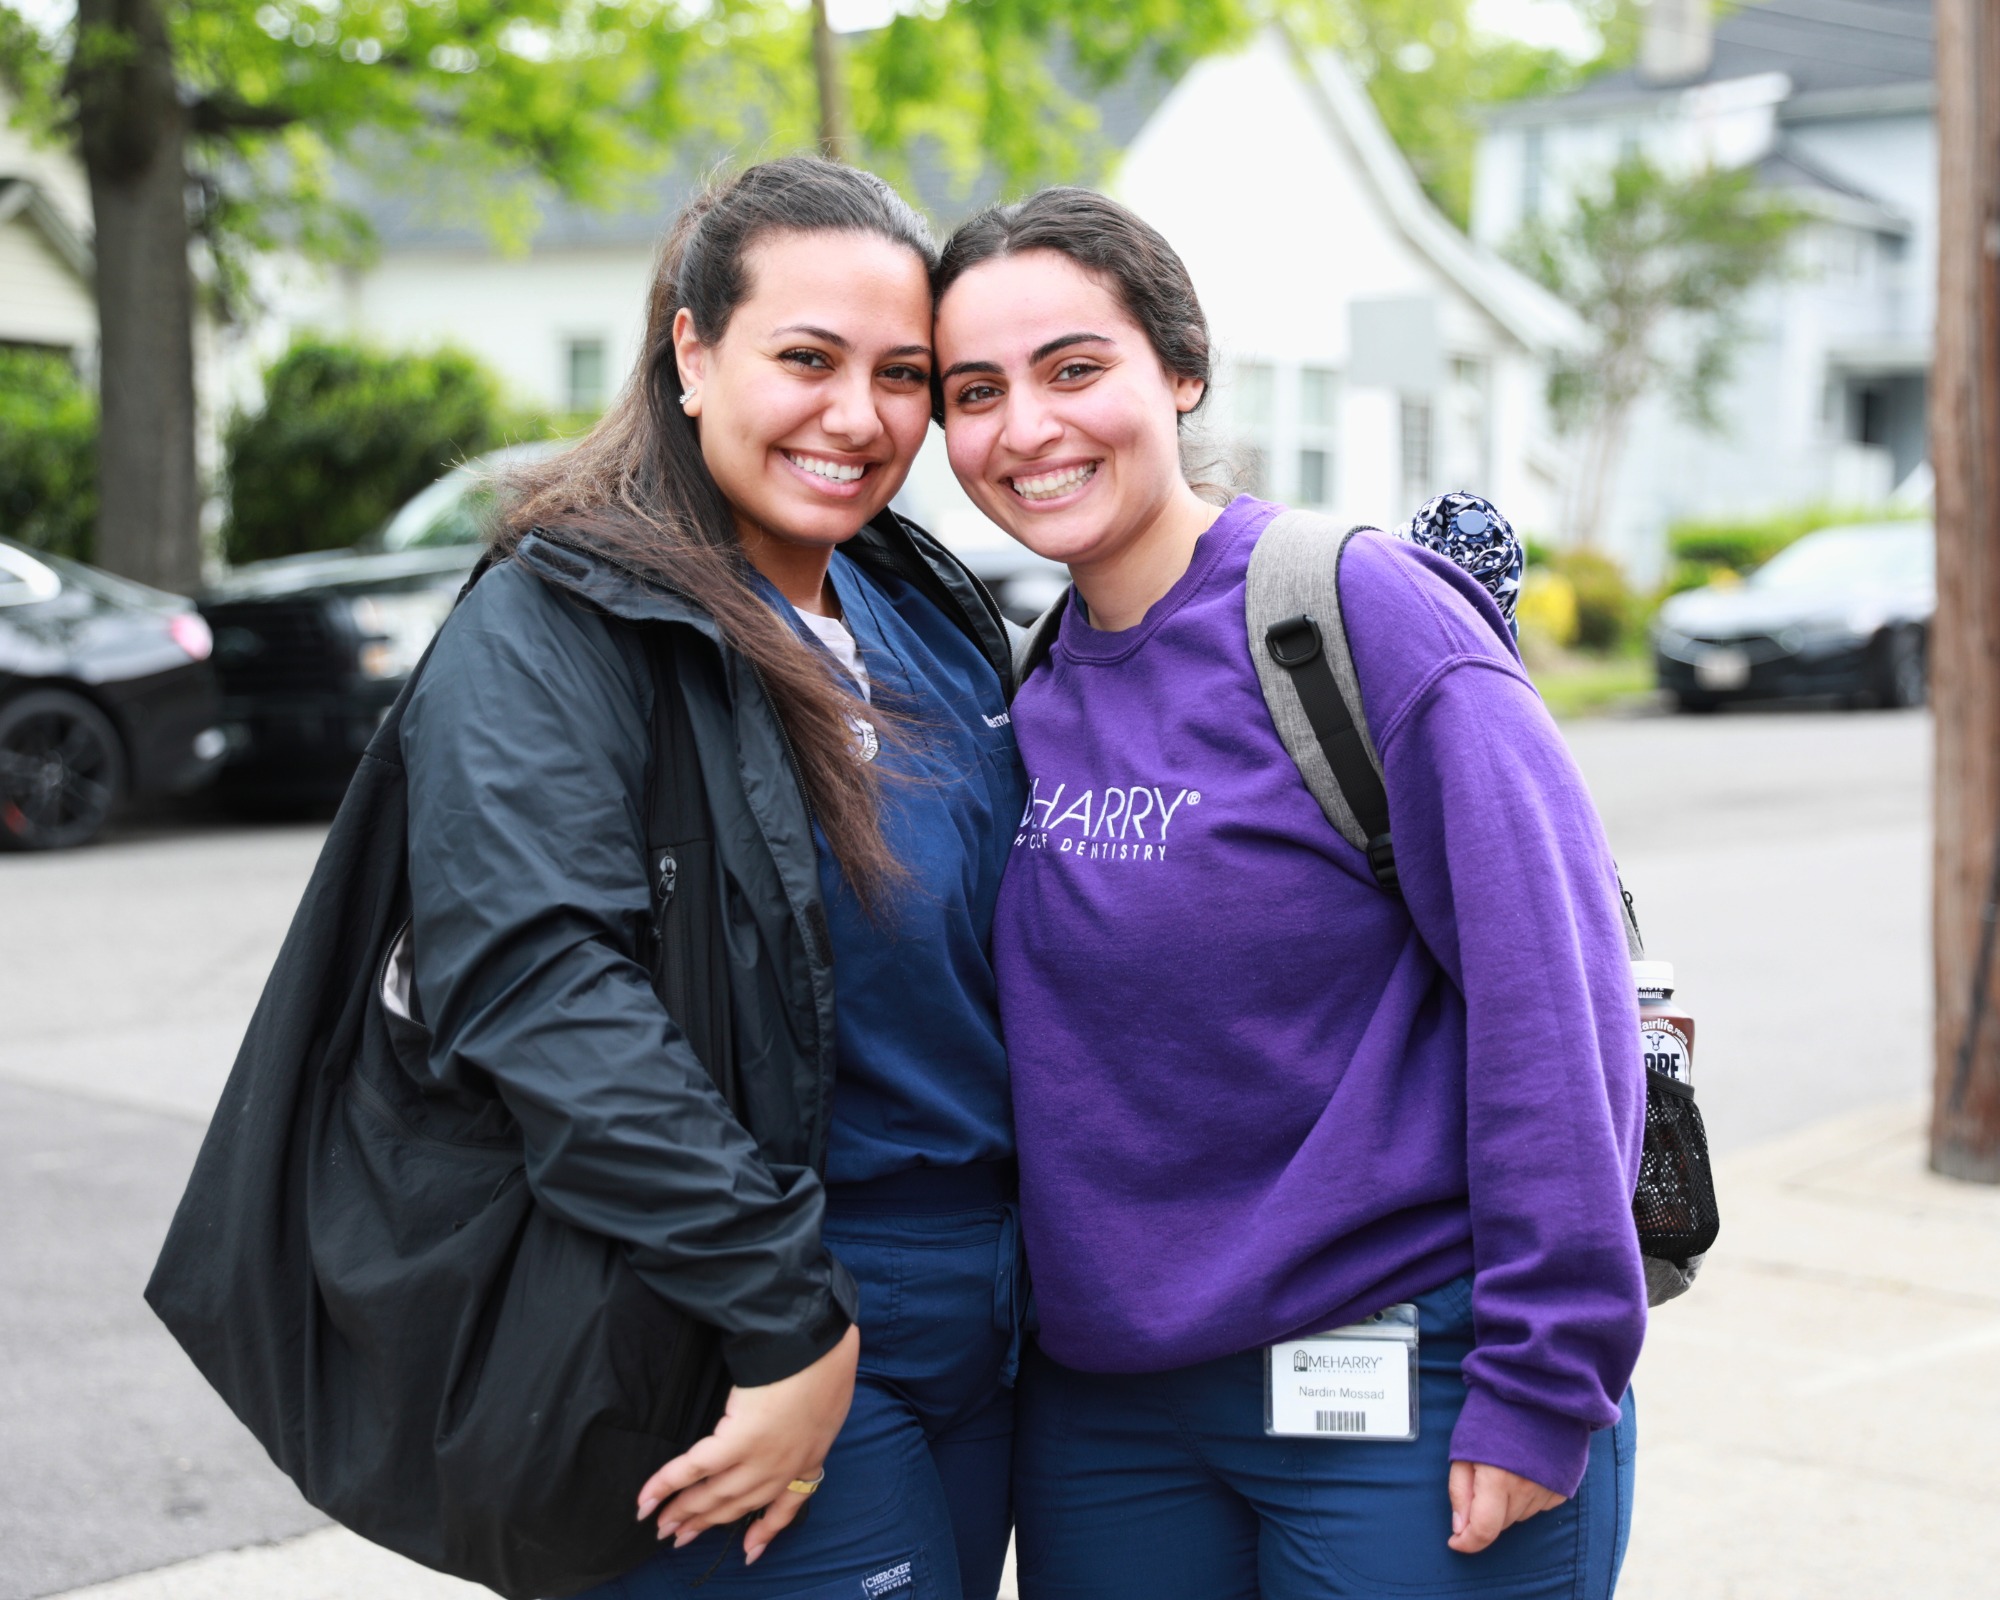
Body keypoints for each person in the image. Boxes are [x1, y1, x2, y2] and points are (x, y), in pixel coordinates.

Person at [931, 187, 1645, 1600]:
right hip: (1110, 1416)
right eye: (974, 391)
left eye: (1076, 369)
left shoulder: (1353, 615)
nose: (1027, 428)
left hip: (1409, 1380)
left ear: (1181, 372)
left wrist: (1547, 1369)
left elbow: (1555, 999)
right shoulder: (1028, 687)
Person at [399, 156, 1027, 1600]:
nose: (858, 417)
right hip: (745, 1308)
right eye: (806, 358)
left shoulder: (916, 607)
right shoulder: (559, 620)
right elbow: (539, 991)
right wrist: (789, 1320)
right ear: (691, 348)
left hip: (986, 1305)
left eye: (906, 375)